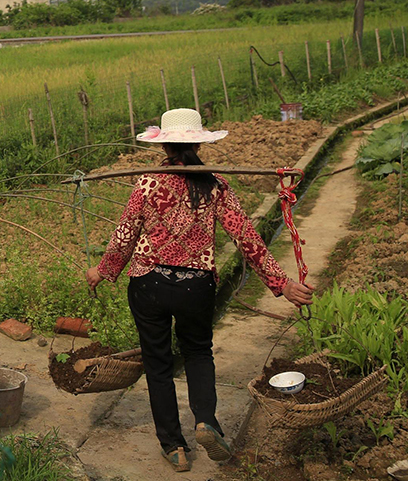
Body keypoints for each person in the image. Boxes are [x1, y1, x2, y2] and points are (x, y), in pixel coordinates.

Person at [85, 108, 314, 473]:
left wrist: (103, 270)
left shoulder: (147, 182)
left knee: (158, 363)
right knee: (197, 353)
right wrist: (280, 282)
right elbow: (246, 236)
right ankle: (206, 421)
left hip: (149, 282)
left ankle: (174, 447)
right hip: (195, 285)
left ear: (166, 145)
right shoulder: (216, 184)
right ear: (196, 142)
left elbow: (125, 233)